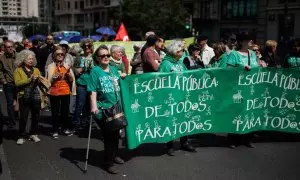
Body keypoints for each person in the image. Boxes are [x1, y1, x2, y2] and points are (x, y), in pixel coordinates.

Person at [89, 45, 126, 174]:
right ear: (97, 58)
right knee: (109, 136)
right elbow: (92, 90)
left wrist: (123, 76)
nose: (106, 57)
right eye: (102, 56)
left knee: (116, 134)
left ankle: (114, 155)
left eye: (107, 55)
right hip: (104, 108)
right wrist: (94, 106)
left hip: (117, 107)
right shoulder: (95, 71)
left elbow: (119, 82)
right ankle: (108, 162)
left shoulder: (114, 69)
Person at [159, 40, 196, 156]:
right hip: (170, 98)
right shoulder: (165, 64)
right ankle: (169, 145)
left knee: (183, 119)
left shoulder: (180, 63)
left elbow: (187, 75)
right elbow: (160, 81)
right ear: (175, 52)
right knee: (170, 120)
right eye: (181, 50)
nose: (183, 52)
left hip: (182, 96)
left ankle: (184, 142)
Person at [227, 32, 258, 149]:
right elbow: (228, 70)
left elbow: (256, 67)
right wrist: (241, 68)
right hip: (237, 89)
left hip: (250, 88)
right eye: (249, 40)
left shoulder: (253, 54)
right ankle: (232, 138)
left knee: (249, 112)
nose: (251, 42)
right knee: (236, 112)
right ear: (242, 42)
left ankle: (247, 138)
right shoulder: (234, 54)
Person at [46, 46, 76, 139]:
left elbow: (71, 80)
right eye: (58, 54)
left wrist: (68, 74)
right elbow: (48, 81)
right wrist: (54, 78)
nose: (60, 56)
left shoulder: (67, 65)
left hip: (65, 91)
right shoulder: (50, 66)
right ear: (54, 55)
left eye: (62, 54)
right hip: (54, 92)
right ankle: (55, 130)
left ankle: (65, 128)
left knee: (65, 112)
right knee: (55, 112)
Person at [14, 50, 41, 145]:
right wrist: (29, 80)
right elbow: (17, 83)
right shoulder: (18, 70)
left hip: (35, 95)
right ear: (23, 59)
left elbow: (40, 83)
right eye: (29, 58)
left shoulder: (36, 69)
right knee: (24, 117)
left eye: (32, 58)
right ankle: (21, 135)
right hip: (23, 96)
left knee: (36, 116)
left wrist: (38, 80)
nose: (31, 60)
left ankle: (33, 134)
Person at [73, 38, 94, 130]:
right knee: (80, 104)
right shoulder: (79, 57)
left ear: (91, 46)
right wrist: (79, 69)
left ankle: (86, 122)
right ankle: (76, 122)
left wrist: (92, 68)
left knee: (88, 105)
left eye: (88, 46)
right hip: (81, 83)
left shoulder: (95, 57)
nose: (86, 47)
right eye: (84, 46)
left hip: (92, 84)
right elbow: (73, 69)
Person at [0, 40, 18, 128]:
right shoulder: (1, 58)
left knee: (18, 101)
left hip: (19, 83)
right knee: (10, 102)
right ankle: (12, 120)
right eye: (8, 47)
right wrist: (3, 80)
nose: (10, 48)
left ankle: (17, 116)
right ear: (4, 48)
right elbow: (0, 71)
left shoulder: (18, 56)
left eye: (11, 46)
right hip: (8, 83)